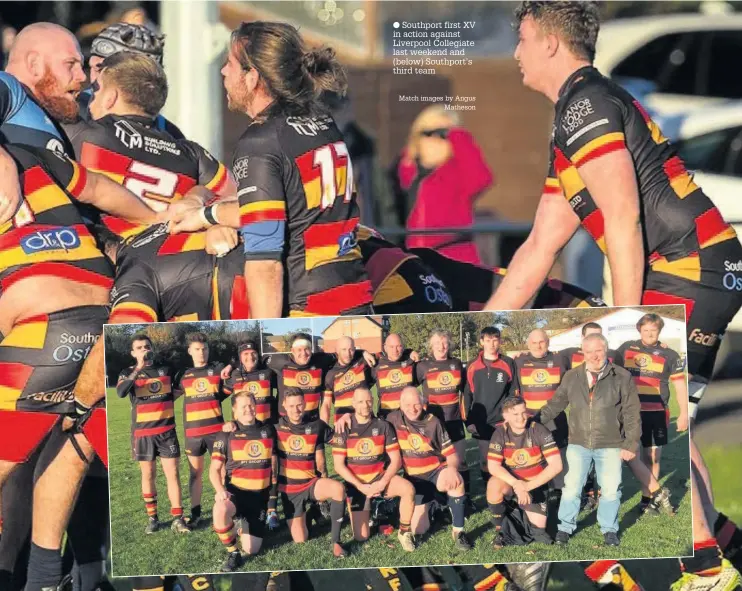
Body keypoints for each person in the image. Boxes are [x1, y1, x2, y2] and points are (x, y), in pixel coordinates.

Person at [485, 3, 742, 582]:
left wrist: (625, 320)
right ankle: (721, 551)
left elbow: (624, 220)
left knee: (647, 418)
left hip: (689, 264)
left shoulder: (584, 104)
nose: (516, 53)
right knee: (665, 419)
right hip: (695, 265)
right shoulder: (575, 113)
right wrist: (484, 331)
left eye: (522, 39)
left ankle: (706, 570)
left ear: (551, 43)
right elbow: (537, 251)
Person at [0, 143, 161, 591]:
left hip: (38, 325)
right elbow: (99, 189)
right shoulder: (30, 152)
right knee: (70, 445)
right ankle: (45, 582)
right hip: (103, 316)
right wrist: (155, 221)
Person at [169, 21, 373, 318]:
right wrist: (204, 215)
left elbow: (265, 262)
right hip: (356, 299)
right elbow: (279, 209)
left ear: (252, 77)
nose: (223, 71)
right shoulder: (322, 122)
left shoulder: (261, 140)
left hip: (310, 314)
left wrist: (269, 341)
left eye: (230, 63)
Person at [71, 50, 234, 239]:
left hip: (114, 258)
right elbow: (243, 201)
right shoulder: (193, 154)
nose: (90, 101)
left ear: (110, 98)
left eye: (96, 90)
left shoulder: (83, 134)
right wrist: (198, 195)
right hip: (175, 254)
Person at [538, 333, 640, 547]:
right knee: (572, 488)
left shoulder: (621, 376)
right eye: (589, 351)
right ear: (582, 353)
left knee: (611, 490)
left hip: (611, 443)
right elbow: (555, 404)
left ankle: (609, 529)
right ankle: (565, 527)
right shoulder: (572, 376)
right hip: (578, 443)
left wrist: (630, 443)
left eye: (598, 350)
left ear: (606, 350)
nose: (594, 356)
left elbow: (631, 412)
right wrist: (532, 422)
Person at [397, 105, 493, 265]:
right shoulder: (406, 169)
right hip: (414, 261)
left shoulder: (456, 171)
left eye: (442, 134)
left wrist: (457, 135)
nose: (435, 140)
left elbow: (482, 179)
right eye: (428, 133)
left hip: (453, 258)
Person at [115, 334, 190, 536]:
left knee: (172, 474)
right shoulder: (127, 372)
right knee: (148, 475)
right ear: (133, 353)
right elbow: (121, 392)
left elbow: (180, 385)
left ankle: (178, 518)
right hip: (143, 433)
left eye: (147, 346)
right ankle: (153, 518)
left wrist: (169, 398)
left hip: (166, 432)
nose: (144, 350)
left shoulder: (165, 368)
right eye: (139, 347)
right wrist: (138, 368)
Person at [617, 313, 688, 516]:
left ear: (659, 331)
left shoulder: (670, 355)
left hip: (656, 412)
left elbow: (680, 384)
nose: (649, 334)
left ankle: (648, 500)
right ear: (639, 329)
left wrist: (683, 413)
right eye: (645, 329)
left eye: (653, 330)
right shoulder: (626, 349)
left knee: (652, 456)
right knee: (631, 455)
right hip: (630, 413)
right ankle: (655, 492)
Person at [386, 387, 472, 551]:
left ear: (424, 404)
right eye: (408, 404)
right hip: (414, 478)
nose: (412, 408)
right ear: (400, 405)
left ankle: (459, 531)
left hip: (435, 472)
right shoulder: (392, 419)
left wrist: (453, 470)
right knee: (419, 529)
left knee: (456, 481)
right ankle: (437, 503)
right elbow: (367, 421)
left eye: (416, 404)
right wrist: (346, 416)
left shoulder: (433, 422)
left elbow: (451, 455)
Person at [331, 387, 416, 551]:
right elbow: (338, 466)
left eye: (369, 400)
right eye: (361, 401)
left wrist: (382, 483)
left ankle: (404, 532)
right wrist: (360, 486)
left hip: (379, 479)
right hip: (357, 485)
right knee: (361, 536)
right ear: (353, 404)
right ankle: (378, 508)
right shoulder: (344, 428)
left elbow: (396, 460)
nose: (366, 405)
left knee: (408, 489)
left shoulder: (383, 425)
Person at [67, 22, 184, 141]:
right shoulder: (70, 115)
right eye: (94, 68)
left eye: (103, 70)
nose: (94, 80)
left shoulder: (171, 137)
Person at [210, 391, 278, 572]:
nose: (248, 409)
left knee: (252, 549)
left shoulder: (268, 430)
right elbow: (214, 470)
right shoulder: (226, 434)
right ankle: (233, 553)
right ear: (234, 410)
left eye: (251, 405)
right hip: (237, 494)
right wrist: (219, 490)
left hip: (260, 498)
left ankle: (241, 524)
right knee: (220, 509)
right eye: (243, 406)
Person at [276, 388, 347, 558]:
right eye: (292, 405)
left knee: (338, 489)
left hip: (311, 484)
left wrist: (348, 420)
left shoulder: (316, 425)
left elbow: (339, 440)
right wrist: (230, 425)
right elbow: (253, 432)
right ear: (284, 405)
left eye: (299, 405)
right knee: (301, 539)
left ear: (305, 404)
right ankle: (310, 514)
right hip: (289, 491)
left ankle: (336, 542)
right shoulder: (275, 427)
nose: (296, 410)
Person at [487, 396, 563, 548]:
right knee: (494, 484)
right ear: (505, 416)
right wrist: (517, 484)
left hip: (535, 483)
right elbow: (493, 466)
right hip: (512, 483)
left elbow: (556, 465)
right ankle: (500, 527)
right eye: (515, 414)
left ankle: (516, 511)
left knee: (538, 530)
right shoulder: (499, 433)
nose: (521, 418)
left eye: (523, 412)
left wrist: (527, 487)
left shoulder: (539, 430)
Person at [174, 332, 228, 529]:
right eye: (197, 349)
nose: (201, 352)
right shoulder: (182, 375)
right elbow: (167, 397)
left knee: (223, 470)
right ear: (190, 351)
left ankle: (226, 508)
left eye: (204, 348)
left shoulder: (217, 369)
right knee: (195, 473)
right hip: (193, 433)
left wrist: (230, 365)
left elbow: (233, 374)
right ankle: (195, 514)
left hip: (216, 431)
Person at [514, 328, 570, 512]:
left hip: (556, 418)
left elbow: (584, 350)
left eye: (542, 342)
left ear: (548, 343)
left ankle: (558, 493)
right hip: (530, 420)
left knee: (559, 455)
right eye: (534, 342)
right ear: (527, 344)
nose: (538, 346)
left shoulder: (561, 359)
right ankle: (537, 493)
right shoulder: (519, 362)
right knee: (534, 457)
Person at [415, 331, 471, 505]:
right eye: (437, 343)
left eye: (445, 343)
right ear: (431, 346)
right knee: (438, 463)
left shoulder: (455, 363)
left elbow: (466, 389)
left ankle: (464, 498)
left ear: (450, 345)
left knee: (460, 462)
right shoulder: (422, 366)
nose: (441, 346)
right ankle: (440, 502)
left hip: (454, 421)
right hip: (433, 424)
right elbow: (409, 386)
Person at [463, 327, 520, 487]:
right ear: (481, 342)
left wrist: (511, 417)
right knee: (485, 462)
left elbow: (513, 393)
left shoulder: (508, 363)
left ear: (500, 341)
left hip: (502, 422)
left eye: (495, 340)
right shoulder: (472, 365)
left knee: (506, 459)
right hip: (480, 423)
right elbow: (466, 395)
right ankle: (491, 492)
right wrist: (468, 421)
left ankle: (508, 494)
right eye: (488, 340)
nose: (492, 344)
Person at [321, 336, 375, 424]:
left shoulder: (363, 362)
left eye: (351, 350)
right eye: (344, 349)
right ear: (337, 350)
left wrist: (364, 352)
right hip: (342, 425)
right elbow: (326, 405)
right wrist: (323, 428)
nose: (348, 353)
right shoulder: (330, 374)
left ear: (354, 349)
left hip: (366, 422)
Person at [223, 340, 278, 424]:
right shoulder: (234, 374)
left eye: (253, 353)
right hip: (242, 429)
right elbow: (219, 396)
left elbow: (282, 390)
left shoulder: (268, 372)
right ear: (240, 357)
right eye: (246, 354)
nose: (250, 357)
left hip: (266, 428)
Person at [372, 333, 418, 419]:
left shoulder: (410, 362)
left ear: (403, 347)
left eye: (398, 346)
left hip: (408, 417)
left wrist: (410, 351)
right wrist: (362, 352)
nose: (395, 350)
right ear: (385, 347)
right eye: (391, 347)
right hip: (386, 419)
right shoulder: (377, 365)